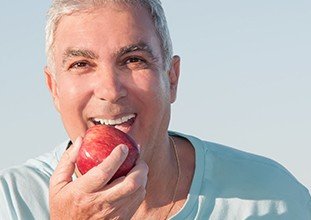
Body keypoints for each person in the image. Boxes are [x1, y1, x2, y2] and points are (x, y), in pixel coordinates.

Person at [0, 0, 310, 219]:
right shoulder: (11, 201)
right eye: (81, 64)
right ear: (54, 89)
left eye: (134, 59)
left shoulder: (271, 196)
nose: (110, 90)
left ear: (171, 78)